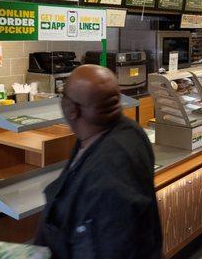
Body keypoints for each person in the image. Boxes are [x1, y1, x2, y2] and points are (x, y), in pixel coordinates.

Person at [35, 65, 162, 259]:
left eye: (64, 95)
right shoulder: (129, 130)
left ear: (72, 110)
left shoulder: (105, 177)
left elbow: (104, 247)